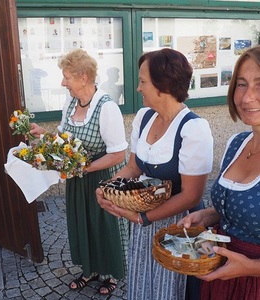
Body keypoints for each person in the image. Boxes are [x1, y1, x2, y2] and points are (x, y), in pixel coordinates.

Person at [96, 48, 213, 300]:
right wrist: (107, 187)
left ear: (163, 85)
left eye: (142, 81)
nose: (138, 88)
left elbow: (191, 197)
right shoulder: (145, 117)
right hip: (144, 221)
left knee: (172, 289)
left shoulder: (193, 129)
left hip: (179, 225)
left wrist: (143, 218)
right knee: (145, 283)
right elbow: (133, 167)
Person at [29, 48, 129, 295]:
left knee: (104, 225)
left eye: (67, 77)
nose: (63, 83)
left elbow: (119, 154)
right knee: (82, 222)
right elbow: (66, 139)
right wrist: (44, 134)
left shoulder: (107, 108)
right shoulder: (72, 102)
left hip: (104, 177)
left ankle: (111, 273)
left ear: (83, 77)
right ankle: (90, 269)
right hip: (79, 176)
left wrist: (84, 167)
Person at [177, 46, 260, 300]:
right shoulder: (237, 143)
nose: (247, 98)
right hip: (221, 277)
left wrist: (252, 268)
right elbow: (244, 209)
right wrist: (209, 214)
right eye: (241, 84)